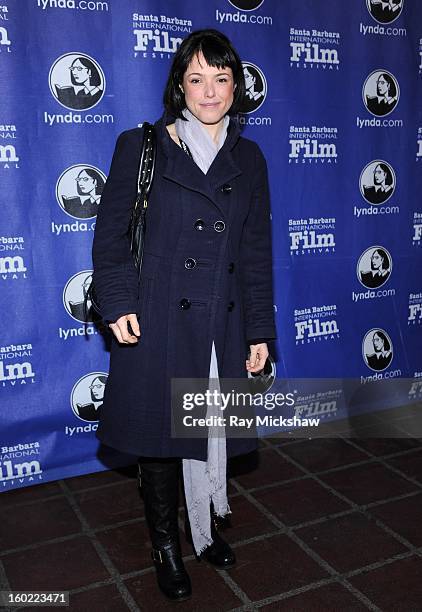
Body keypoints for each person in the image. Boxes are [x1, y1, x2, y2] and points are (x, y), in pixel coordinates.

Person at [92, 29, 276, 602]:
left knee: (210, 429)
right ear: (179, 86)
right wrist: (118, 301)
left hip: (220, 324)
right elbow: (112, 237)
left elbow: (254, 251)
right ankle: (166, 545)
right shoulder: (141, 146)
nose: (210, 91)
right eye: (197, 79)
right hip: (159, 319)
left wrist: (259, 329)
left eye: (221, 79)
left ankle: (205, 528)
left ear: (236, 87)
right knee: (162, 439)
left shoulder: (249, 158)